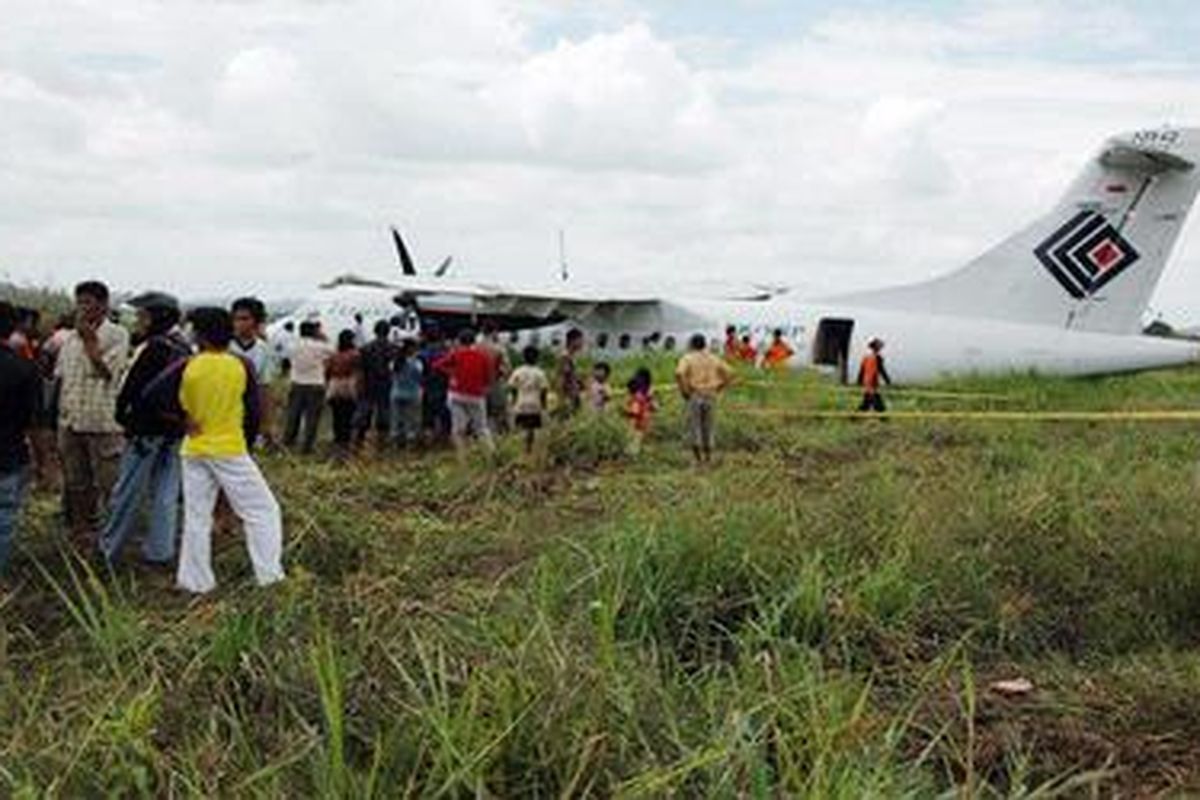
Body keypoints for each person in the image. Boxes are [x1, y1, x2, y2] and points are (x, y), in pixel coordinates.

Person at [176, 307, 284, 595]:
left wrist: (181, 421)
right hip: (228, 447)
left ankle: (195, 581)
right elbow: (252, 409)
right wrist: (250, 440)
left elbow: (163, 398)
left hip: (194, 448)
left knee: (197, 516)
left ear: (199, 334)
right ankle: (270, 577)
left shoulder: (189, 365)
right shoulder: (240, 365)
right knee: (263, 511)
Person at [99, 292, 191, 568]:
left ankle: (109, 549)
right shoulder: (184, 347)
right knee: (166, 493)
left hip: (144, 433)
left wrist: (123, 417)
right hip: (174, 431)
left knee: (127, 492)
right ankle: (160, 552)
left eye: (143, 316)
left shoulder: (154, 348)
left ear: (157, 317)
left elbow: (133, 390)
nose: (139, 320)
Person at [56, 281, 130, 544]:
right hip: (71, 421)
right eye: (79, 302)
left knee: (110, 483)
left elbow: (107, 371)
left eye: (87, 302)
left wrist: (90, 341)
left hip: (103, 423)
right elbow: (62, 378)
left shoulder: (117, 334)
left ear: (103, 304)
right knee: (76, 482)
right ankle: (82, 531)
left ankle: (114, 536)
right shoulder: (69, 339)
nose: (82, 308)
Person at [0, 302, 40, 580]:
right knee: (3, 517)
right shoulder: (24, 368)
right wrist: (43, 460)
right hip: (8, 455)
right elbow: (35, 423)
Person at [434, 328, 496, 459]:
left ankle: (462, 457)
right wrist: (484, 386)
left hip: (456, 394)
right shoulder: (483, 356)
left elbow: (437, 365)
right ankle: (491, 455)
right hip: (476, 395)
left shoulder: (456, 354)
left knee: (458, 429)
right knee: (481, 428)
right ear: (474, 341)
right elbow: (490, 378)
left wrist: (452, 373)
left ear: (459, 341)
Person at [675, 333, 734, 464]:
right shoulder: (714, 358)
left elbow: (679, 373)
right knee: (709, 427)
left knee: (694, 427)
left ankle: (698, 459)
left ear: (692, 344)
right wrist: (720, 387)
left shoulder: (688, 358)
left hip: (695, 394)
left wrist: (684, 391)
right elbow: (730, 372)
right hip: (711, 395)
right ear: (704, 344)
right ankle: (708, 458)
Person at [230, 297, 276, 447]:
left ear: (256, 321)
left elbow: (264, 387)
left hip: (248, 411)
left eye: (244, 319)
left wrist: (267, 423)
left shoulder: (263, 349)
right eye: (236, 318)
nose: (239, 323)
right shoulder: (224, 346)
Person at [283, 321, 333, 454]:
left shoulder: (292, 345)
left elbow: (285, 356)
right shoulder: (320, 346)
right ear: (314, 332)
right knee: (312, 418)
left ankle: (288, 442)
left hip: (297, 383)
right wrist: (323, 337)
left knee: (293, 415)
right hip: (315, 384)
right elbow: (333, 351)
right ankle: (307, 447)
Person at [355, 320, 397, 449]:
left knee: (365, 412)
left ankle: (359, 439)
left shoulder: (365, 348)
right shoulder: (393, 348)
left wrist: (360, 384)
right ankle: (382, 442)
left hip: (368, 383)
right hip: (385, 384)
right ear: (388, 331)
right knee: (384, 411)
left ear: (375, 331)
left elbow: (360, 369)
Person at [325, 330, 361, 457]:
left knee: (337, 416)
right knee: (348, 416)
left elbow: (327, 372)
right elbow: (358, 372)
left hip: (334, 386)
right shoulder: (355, 354)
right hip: (348, 386)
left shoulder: (334, 355)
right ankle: (346, 445)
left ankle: (337, 443)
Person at [508, 345, 549, 454]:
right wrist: (544, 407)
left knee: (521, 428)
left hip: (521, 404)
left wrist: (513, 402)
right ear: (537, 358)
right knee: (532, 430)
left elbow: (512, 387)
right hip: (535, 405)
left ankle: (522, 450)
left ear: (523, 357)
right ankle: (529, 450)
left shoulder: (518, 371)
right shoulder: (540, 373)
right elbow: (544, 391)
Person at [390, 338, 424, 448]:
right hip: (413, 394)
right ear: (412, 348)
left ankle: (396, 441)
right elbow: (419, 377)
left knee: (396, 418)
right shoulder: (416, 363)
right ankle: (410, 441)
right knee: (411, 419)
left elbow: (391, 374)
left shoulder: (395, 362)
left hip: (396, 393)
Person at [419, 328, 451, 445]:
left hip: (428, 386)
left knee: (428, 414)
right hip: (443, 386)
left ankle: (428, 439)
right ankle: (444, 438)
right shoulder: (446, 352)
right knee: (444, 413)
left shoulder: (422, 353)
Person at [480, 323, 511, 435]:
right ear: (494, 332)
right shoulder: (499, 349)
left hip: (479, 386)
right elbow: (507, 369)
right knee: (499, 413)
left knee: (484, 415)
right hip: (496, 384)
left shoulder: (475, 347)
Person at [624, 367, 656, 455]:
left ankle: (633, 452)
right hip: (640, 422)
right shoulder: (640, 398)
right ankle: (634, 453)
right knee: (637, 437)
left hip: (639, 422)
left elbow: (634, 413)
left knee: (635, 437)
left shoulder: (637, 398)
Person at [857, 338, 893, 413]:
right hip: (872, 384)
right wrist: (887, 381)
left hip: (868, 383)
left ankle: (854, 418)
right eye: (879, 347)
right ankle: (883, 419)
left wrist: (859, 381)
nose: (880, 348)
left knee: (866, 404)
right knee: (878, 405)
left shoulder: (866, 357)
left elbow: (861, 370)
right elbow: (882, 371)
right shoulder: (876, 358)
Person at [558, 328, 585, 416]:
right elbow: (562, 376)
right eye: (580, 340)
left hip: (573, 392)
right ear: (573, 341)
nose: (582, 343)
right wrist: (561, 398)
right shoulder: (565, 356)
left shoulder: (571, 356)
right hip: (569, 394)